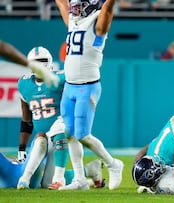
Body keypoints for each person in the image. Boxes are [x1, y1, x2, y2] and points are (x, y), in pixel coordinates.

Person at [0, 46, 103, 189]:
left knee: (50, 180)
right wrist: (22, 148)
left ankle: (67, 178)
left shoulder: (61, 78)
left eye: (43, 60)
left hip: (60, 136)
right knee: (45, 182)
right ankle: (90, 170)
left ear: (49, 61)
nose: (40, 64)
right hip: (40, 140)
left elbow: (80, 89)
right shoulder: (24, 83)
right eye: (36, 61)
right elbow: (26, 120)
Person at [55, 0, 124, 190]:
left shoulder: (98, 22)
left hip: (87, 86)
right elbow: (61, 4)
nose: (74, 9)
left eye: (78, 6)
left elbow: (108, 8)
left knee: (83, 135)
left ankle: (113, 164)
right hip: (70, 86)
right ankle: (79, 180)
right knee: (69, 133)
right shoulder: (73, 20)